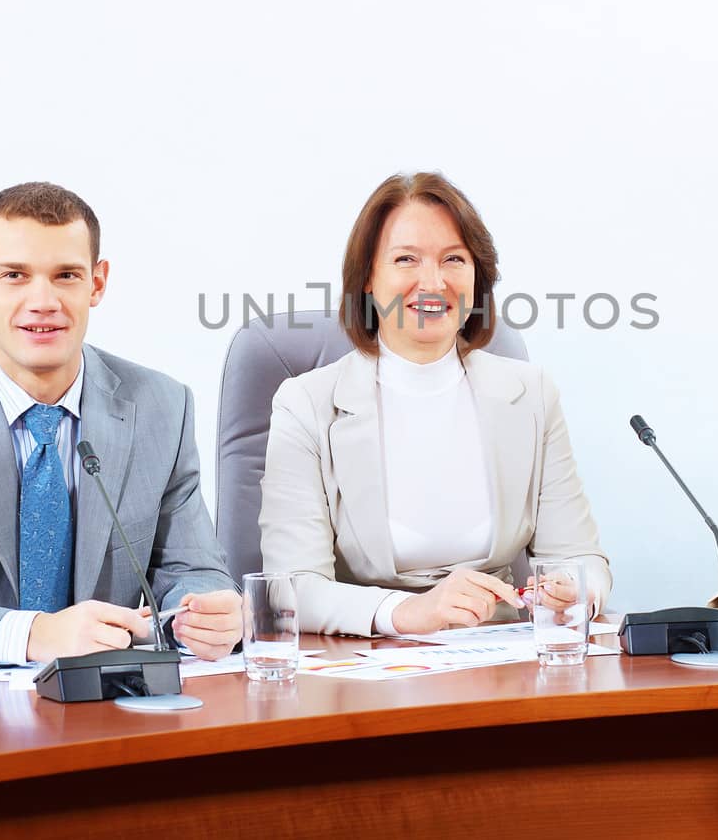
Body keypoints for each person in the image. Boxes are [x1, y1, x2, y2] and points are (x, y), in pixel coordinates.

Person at [0, 182, 241, 668]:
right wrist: (37, 635)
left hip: (107, 712)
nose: (43, 300)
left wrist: (206, 613)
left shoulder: (161, 406)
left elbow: (195, 570)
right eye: (14, 275)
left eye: (66, 275)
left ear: (97, 284)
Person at [258, 172, 611, 636]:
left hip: (503, 653)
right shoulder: (306, 404)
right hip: (365, 660)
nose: (432, 281)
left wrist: (575, 590)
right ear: (367, 278)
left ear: (476, 277)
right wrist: (406, 613)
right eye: (406, 259)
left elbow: (582, 558)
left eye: (453, 259)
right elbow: (291, 587)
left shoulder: (531, 394)